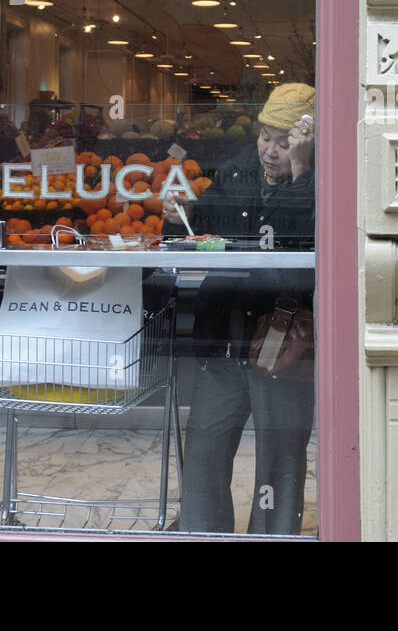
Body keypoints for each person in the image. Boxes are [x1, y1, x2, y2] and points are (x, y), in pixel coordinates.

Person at [163, 83, 316, 535]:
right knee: (206, 449)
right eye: (266, 137)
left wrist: (302, 170)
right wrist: (183, 212)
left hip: (283, 346)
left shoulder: (321, 181)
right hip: (223, 340)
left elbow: (303, 237)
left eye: (284, 143)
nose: (271, 151)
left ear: (306, 142)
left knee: (281, 455)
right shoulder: (235, 174)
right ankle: (203, 532)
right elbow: (205, 223)